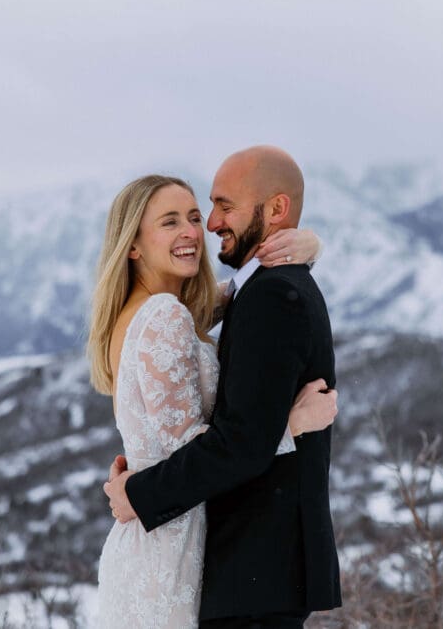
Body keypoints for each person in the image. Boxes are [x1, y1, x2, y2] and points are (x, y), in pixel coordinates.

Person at [105, 147, 341, 628]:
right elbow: (205, 445)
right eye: (171, 222)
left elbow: (237, 295)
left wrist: (306, 245)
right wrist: (289, 425)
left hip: (194, 544)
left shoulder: (164, 310)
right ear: (133, 245)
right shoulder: (164, 316)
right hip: (172, 538)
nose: (202, 228)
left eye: (205, 212)